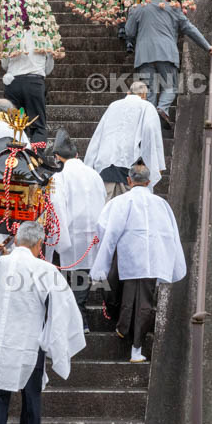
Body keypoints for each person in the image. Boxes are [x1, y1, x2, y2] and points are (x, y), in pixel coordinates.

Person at [0, 221, 85, 424]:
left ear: (16, 241)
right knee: (31, 399)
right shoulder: (44, 269)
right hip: (29, 342)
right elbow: (62, 309)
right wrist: (54, 339)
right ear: (40, 245)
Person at [90, 160, 187, 363]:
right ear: (149, 181)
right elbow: (171, 234)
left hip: (127, 257)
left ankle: (123, 328)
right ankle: (137, 347)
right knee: (145, 302)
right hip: (153, 259)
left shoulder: (120, 202)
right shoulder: (162, 204)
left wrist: (102, 262)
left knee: (125, 295)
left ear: (129, 180)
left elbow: (106, 230)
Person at [124, 0, 212, 127]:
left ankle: (150, 119)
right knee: (170, 87)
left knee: (149, 89)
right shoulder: (173, 8)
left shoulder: (137, 8)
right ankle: (162, 109)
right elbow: (189, 28)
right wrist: (207, 46)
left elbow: (129, 32)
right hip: (166, 53)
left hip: (144, 54)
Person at [45, 129, 107, 327]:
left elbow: (57, 209)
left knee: (69, 278)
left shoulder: (59, 177)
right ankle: (81, 319)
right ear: (77, 155)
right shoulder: (94, 174)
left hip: (70, 232)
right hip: (92, 234)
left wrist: (59, 240)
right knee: (82, 277)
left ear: (57, 157)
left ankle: (77, 320)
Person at [83, 82, 165, 200]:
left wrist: (89, 164)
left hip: (105, 165)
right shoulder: (146, 106)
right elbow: (151, 136)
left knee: (106, 212)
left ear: (128, 92)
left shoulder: (113, 105)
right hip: (130, 167)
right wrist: (156, 167)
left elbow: (98, 136)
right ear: (143, 95)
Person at [1, 22, 59, 144]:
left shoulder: (10, 36)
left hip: (13, 83)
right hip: (34, 83)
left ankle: (15, 155)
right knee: (37, 124)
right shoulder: (44, 36)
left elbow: (4, 64)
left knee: (14, 123)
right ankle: (38, 156)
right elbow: (48, 66)